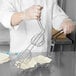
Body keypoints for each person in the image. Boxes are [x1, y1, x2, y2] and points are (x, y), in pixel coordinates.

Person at [0, 0, 75, 56]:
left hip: (43, 55)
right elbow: (5, 17)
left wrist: (65, 21)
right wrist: (23, 15)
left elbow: (57, 15)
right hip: (19, 55)